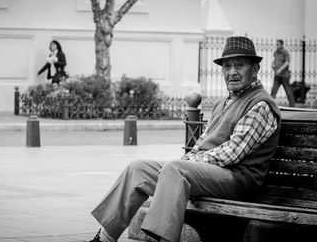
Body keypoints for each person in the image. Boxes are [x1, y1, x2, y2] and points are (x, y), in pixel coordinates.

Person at [88, 36, 281, 242]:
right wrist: (186, 161)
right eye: (227, 66)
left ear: (255, 69)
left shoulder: (260, 104)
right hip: (212, 174)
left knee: (175, 169)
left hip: (238, 180)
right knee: (137, 168)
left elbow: (232, 153)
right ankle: (105, 238)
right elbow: (203, 144)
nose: (232, 72)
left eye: (239, 66)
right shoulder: (223, 103)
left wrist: (185, 163)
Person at [270, 39, 295, 107]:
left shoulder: (285, 52)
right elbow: (275, 60)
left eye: (278, 44)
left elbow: (287, 62)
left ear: (281, 44)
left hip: (284, 75)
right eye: (276, 44)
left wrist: (280, 69)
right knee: (273, 91)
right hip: (277, 75)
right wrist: (272, 64)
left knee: (288, 91)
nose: (277, 45)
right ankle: (270, 106)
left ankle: (292, 106)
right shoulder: (276, 52)